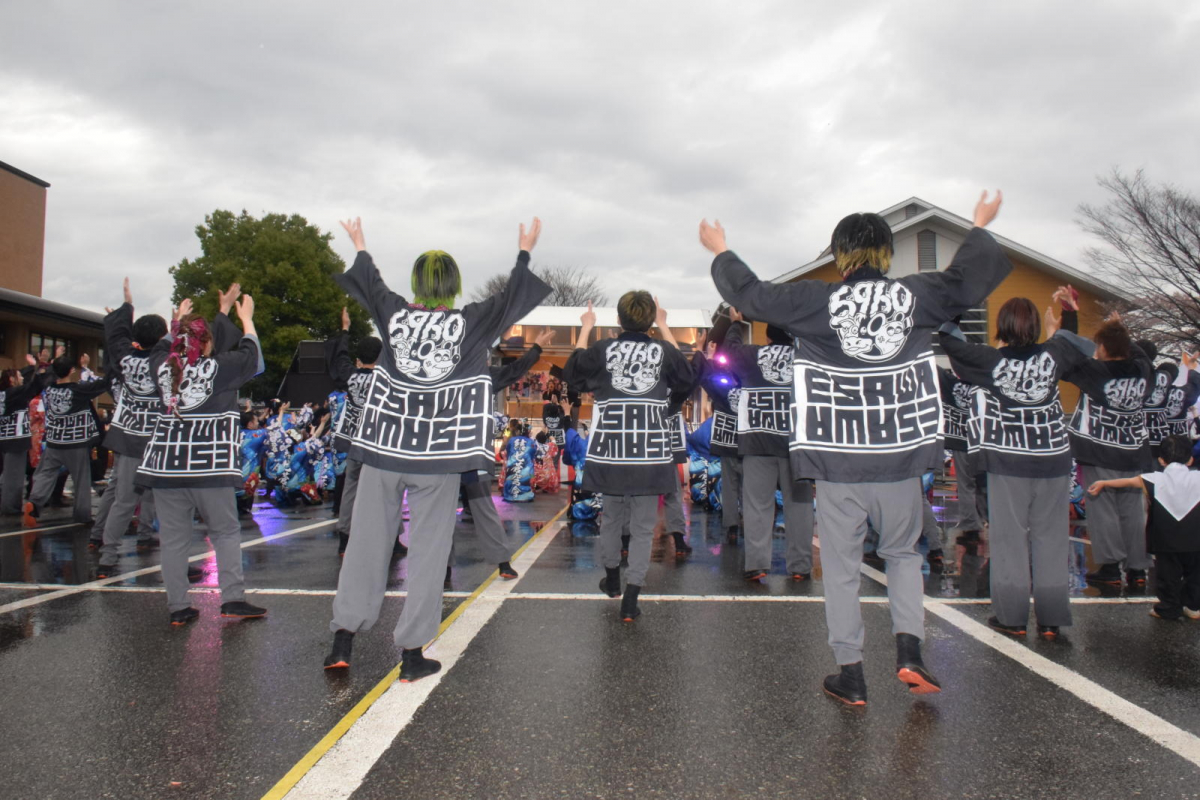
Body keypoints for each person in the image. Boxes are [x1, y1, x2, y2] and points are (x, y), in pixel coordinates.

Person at [701, 190, 1009, 705]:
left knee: (843, 567)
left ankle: (852, 672)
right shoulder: (916, 296)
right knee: (903, 554)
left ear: (840, 254)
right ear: (886, 254)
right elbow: (965, 281)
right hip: (900, 454)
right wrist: (978, 225)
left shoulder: (815, 301)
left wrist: (720, 249)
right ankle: (909, 651)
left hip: (838, 457)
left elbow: (753, 296)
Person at [323, 216, 550, 678]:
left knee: (367, 543)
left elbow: (371, 282)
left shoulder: (394, 315)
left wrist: (361, 243)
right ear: (454, 286)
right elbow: (510, 299)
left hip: (384, 449)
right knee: (429, 552)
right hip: (439, 457)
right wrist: (523, 251)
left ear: (416, 283)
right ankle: (410, 655)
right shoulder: (471, 323)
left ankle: (341, 641)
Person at [938, 297, 1089, 639]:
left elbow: (949, 340)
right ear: (1034, 327)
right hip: (1052, 457)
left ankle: (1012, 617)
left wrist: (958, 301)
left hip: (1009, 459)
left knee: (1010, 540)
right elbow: (1071, 344)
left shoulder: (991, 361)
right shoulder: (1051, 356)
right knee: (1051, 539)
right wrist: (1067, 313)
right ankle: (1051, 620)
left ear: (1001, 327)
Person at [135, 292, 267, 625]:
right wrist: (246, 318)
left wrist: (177, 321)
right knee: (224, 532)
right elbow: (253, 357)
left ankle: (178, 606)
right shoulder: (218, 367)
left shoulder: (162, 367)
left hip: (166, 467)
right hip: (210, 466)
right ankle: (233, 598)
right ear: (206, 344)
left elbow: (160, 349)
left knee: (175, 540)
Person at [563, 294, 694, 622]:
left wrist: (586, 328)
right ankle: (631, 596)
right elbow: (687, 377)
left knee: (611, 519)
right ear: (650, 321)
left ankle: (611, 579)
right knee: (643, 528)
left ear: (619, 320)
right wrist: (665, 327)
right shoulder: (662, 351)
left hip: (610, 448)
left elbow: (573, 373)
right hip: (650, 450)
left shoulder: (604, 350)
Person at [95, 278, 204, 578]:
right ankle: (177, 560)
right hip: (160, 438)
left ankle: (107, 556)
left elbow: (115, 335)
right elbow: (179, 346)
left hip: (130, 435)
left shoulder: (125, 358)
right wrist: (178, 321)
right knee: (170, 501)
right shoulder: (164, 361)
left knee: (124, 500)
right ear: (159, 338)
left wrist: (127, 304)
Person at [1054, 295, 1153, 588]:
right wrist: (1121, 331)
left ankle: (1110, 566)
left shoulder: (1097, 373)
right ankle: (1137, 568)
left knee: (1103, 509)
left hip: (1099, 449)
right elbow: (1142, 356)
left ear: (1105, 348)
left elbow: (1067, 357)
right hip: (1134, 451)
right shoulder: (1143, 371)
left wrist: (1068, 317)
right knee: (1135, 511)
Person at [722, 308, 813, 581]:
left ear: (768, 336)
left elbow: (730, 349)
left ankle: (757, 563)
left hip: (757, 441)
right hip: (798, 444)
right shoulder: (806, 357)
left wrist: (735, 324)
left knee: (757, 505)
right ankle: (800, 566)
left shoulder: (752, 356)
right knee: (799, 506)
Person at [1088, 435, 1200, 621]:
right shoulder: (1197, 477)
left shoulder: (1155, 479)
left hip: (1166, 541)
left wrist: (1104, 483)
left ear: (1161, 460)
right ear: (1190, 459)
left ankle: (1168, 608)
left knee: (1168, 578)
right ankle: (1194, 606)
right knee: (1196, 575)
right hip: (1196, 539)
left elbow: (1129, 482)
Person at [24, 353, 112, 527]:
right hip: (76, 442)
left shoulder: (48, 389)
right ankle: (82, 515)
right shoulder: (78, 391)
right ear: (72, 370)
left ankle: (34, 503)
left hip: (54, 441)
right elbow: (102, 384)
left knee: (45, 473)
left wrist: (48, 363)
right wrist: (93, 367)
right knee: (81, 479)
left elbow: (43, 377)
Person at [326, 307, 384, 555]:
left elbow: (339, 357)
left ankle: (345, 537)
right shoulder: (386, 380)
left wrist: (345, 329)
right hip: (379, 440)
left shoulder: (350, 375)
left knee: (351, 487)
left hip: (353, 439)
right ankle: (391, 541)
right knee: (386, 490)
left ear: (359, 357)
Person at [691, 331, 743, 541]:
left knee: (729, 485)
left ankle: (731, 526)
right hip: (750, 441)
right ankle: (751, 522)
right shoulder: (753, 384)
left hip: (725, 440)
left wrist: (706, 355)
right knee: (751, 487)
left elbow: (705, 378)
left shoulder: (723, 387)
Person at [0, 366, 48, 515]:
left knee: (6, 474)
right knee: (14, 477)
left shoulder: (4, 394)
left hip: (4, 437)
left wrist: (33, 366)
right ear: (12, 379)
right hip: (16, 438)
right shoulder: (16, 393)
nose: (21, 378)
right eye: (19, 376)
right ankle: (11, 507)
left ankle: (7, 504)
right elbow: (34, 386)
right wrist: (41, 369)